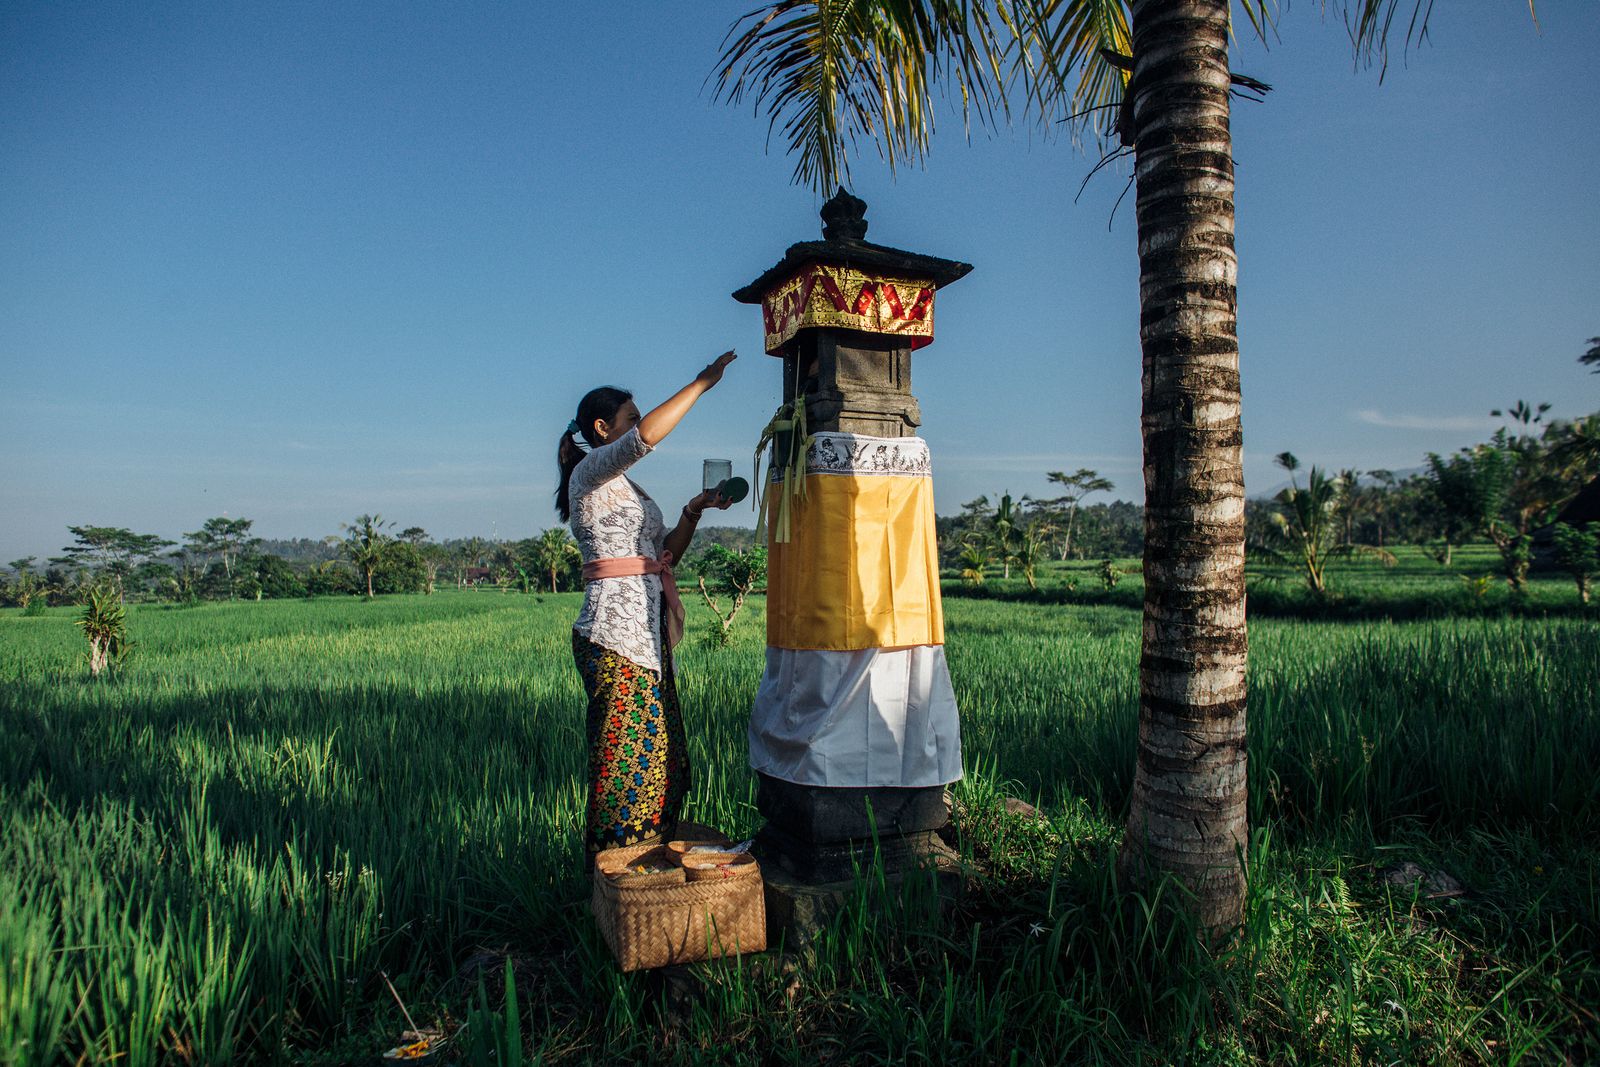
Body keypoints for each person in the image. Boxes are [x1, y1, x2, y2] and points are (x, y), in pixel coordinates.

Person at [555, 350, 738, 860]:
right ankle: (615, 872)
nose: (638, 425)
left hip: (647, 638)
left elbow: (666, 556)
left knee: (663, 758)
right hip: (613, 637)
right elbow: (647, 437)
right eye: (628, 417)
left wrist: (692, 512)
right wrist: (701, 383)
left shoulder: (628, 489)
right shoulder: (590, 475)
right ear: (600, 428)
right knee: (627, 763)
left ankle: (651, 862)